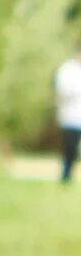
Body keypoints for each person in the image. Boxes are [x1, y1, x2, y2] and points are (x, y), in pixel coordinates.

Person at [58, 45, 81, 180]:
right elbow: (62, 92)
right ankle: (66, 175)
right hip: (71, 117)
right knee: (70, 148)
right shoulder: (67, 70)